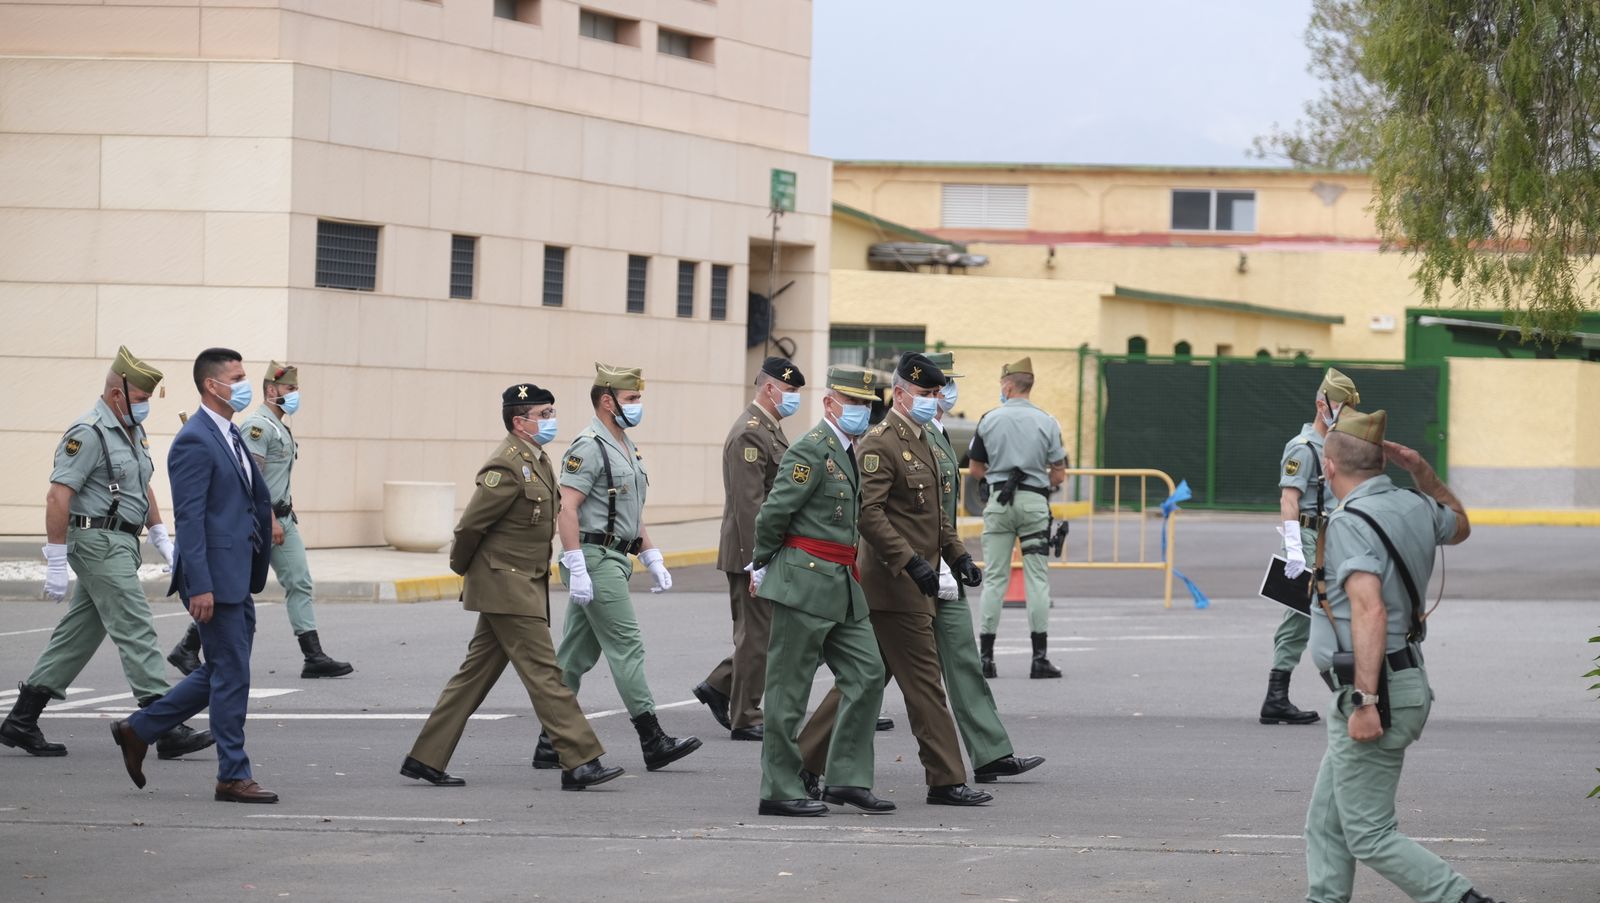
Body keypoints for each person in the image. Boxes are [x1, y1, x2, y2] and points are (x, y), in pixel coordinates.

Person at [1303, 409, 1497, 903]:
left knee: (1368, 833)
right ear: (1383, 461)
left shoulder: (1349, 521)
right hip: (1394, 679)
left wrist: (1366, 701)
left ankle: (1461, 899)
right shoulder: (1414, 504)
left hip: (1376, 689)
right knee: (1327, 820)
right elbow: (1461, 524)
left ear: (1327, 468)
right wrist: (1421, 470)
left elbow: (1369, 610)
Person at [795, 353, 995, 809]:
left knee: (860, 681)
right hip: (893, 584)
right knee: (925, 683)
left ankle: (800, 763)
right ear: (901, 394)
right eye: (924, 394)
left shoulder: (924, 439)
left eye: (935, 394)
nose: (932, 401)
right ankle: (945, 778)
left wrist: (958, 556)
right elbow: (870, 513)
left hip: (914, 581)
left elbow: (934, 515)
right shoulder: (882, 442)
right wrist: (910, 561)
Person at [401, 384, 623, 791]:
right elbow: (471, 526)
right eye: (543, 413)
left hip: (521, 582)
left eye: (551, 411)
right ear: (520, 422)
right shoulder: (506, 466)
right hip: (507, 585)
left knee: (474, 675)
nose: (550, 420)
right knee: (545, 673)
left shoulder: (536, 460)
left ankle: (424, 758)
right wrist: (462, 566)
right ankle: (580, 760)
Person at [0, 346, 213, 762]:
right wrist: (56, 559)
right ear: (117, 394)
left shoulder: (130, 430)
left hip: (122, 542)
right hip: (96, 541)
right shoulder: (89, 432)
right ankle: (163, 722)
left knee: (78, 635)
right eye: (140, 399)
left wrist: (158, 533)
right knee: (135, 624)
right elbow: (58, 495)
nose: (145, 406)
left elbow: (143, 484)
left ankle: (22, 720)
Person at [111, 347, 277, 803]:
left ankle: (138, 728)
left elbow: (246, 499)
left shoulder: (231, 433)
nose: (245, 385)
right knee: (232, 675)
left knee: (225, 669)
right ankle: (232, 775)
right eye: (238, 377)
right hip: (215, 579)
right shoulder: (195, 439)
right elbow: (190, 518)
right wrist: (198, 583)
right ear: (212, 385)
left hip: (237, 573)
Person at [532, 363, 700, 772]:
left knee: (574, 655)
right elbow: (566, 508)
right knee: (627, 648)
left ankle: (550, 741)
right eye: (632, 399)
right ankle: (652, 737)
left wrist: (650, 553)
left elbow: (627, 509)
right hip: (593, 559)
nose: (638, 406)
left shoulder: (624, 444)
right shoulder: (588, 446)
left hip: (614, 557)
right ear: (607, 401)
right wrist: (576, 563)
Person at [751, 365, 888, 817]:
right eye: (852, 403)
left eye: (867, 404)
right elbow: (774, 513)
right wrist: (762, 561)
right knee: (788, 693)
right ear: (830, 404)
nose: (861, 411)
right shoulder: (812, 450)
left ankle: (846, 778)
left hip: (842, 584)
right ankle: (779, 787)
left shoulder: (850, 450)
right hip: (804, 581)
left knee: (868, 673)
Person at [169, 361, 352, 680]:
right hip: (262, 522)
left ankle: (313, 654)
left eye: (295, 389)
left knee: (297, 581)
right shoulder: (259, 426)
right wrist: (270, 520)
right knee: (237, 587)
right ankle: (189, 647)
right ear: (272, 391)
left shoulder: (278, 425)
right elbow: (251, 479)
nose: (294, 395)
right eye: (289, 389)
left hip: (281, 517)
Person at [922, 349, 1045, 783]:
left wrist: (955, 558)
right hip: (907, 575)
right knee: (866, 675)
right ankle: (810, 760)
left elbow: (945, 510)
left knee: (964, 660)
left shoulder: (937, 435)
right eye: (937, 386)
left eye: (946, 385)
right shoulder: (895, 437)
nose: (944, 393)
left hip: (941, 570)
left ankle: (991, 753)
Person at [694, 356, 806, 741]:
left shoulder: (770, 429)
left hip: (764, 549)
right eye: (790, 391)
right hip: (750, 551)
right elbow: (749, 504)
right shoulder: (751, 432)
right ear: (769, 388)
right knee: (757, 635)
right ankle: (746, 716)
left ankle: (720, 685)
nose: (794, 399)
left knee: (765, 632)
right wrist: (758, 559)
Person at [1262, 368, 1360, 725]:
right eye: (1340, 406)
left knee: (1315, 615)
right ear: (1322, 405)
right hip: (1306, 538)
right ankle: (1282, 697)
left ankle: (1279, 698)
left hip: (1327, 539)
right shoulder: (1302, 449)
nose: (1344, 414)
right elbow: (1290, 500)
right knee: (1307, 616)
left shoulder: (1333, 446)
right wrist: (1293, 550)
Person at [967, 357, 1067, 679]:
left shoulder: (989, 419)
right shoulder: (1048, 422)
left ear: (1008, 385)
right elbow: (1059, 471)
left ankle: (986, 658)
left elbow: (975, 467)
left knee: (995, 577)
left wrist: (994, 480)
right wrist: (1043, 482)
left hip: (998, 502)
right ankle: (1039, 658)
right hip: (1034, 503)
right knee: (1037, 578)